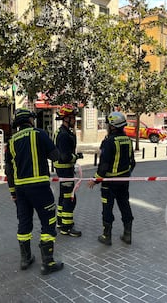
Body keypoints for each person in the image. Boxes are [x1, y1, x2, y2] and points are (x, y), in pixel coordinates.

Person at [5, 108, 64, 275]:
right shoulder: (40, 134)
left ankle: (26, 259)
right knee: (48, 222)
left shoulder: (11, 141)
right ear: (30, 120)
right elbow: (55, 156)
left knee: (24, 222)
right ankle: (48, 262)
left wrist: (13, 192)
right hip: (40, 188)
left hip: (20, 190)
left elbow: (8, 170)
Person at [88, 111, 136, 246]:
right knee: (124, 205)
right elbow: (133, 162)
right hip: (123, 182)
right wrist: (126, 175)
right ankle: (127, 235)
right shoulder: (128, 140)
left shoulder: (108, 142)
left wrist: (95, 179)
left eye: (108, 124)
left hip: (108, 183)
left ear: (113, 126)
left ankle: (106, 236)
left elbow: (103, 166)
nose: (107, 126)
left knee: (107, 208)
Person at [53, 104, 82, 237]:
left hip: (62, 171)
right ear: (66, 118)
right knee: (70, 199)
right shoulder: (64, 135)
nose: (75, 120)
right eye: (73, 118)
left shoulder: (61, 132)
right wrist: (76, 156)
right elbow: (65, 157)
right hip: (65, 171)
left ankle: (60, 221)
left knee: (63, 197)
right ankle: (67, 227)